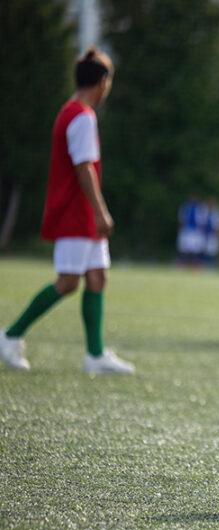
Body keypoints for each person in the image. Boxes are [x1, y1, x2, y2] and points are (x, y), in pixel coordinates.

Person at [0, 47, 134, 374]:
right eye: (109, 82)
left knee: (97, 277)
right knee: (68, 281)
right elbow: (84, 168)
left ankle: (95, 355)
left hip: (82, 213)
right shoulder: (81, 117)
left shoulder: (70, 112)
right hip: (78, 213)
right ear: (102, 81)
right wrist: (101, 211)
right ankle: (9, 335)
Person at [176, 194, 206, 268]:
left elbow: (202, 221)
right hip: (187, 230)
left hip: (196, 231)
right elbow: (182, 220)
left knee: (196, 249)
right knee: (185, 248)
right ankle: (183, 264)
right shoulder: (186, 208)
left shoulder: (200, 209)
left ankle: (195, 265)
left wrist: (201, 231)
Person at [201, 196, 219, 268]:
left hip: (213, 235)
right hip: (204, 234)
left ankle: (212, 266)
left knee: (213, 251)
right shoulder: (203, 211)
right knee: (204, 251)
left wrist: (218, 235)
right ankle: (203, 266)